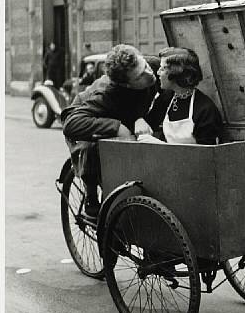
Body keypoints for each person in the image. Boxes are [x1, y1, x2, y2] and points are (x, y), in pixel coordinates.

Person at [61, 44, 158, 217]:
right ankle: (92, 197)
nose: (149, 74)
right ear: (126, 85)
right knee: (90, 149)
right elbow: (71, 124)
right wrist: (117, 127)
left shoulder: (153, 66)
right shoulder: (107, 94)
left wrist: (140, 118)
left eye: (146, 66)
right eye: (140, 76)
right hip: (88, 114)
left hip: (124, 112)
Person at [145, 47, 223, 145]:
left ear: (177, 74)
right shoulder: (166, 98)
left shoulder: (205, 110)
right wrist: (140, 121)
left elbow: (207, 154)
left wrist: (161, 146)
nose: (158, 72)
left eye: (163, 69)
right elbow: (149, 123)